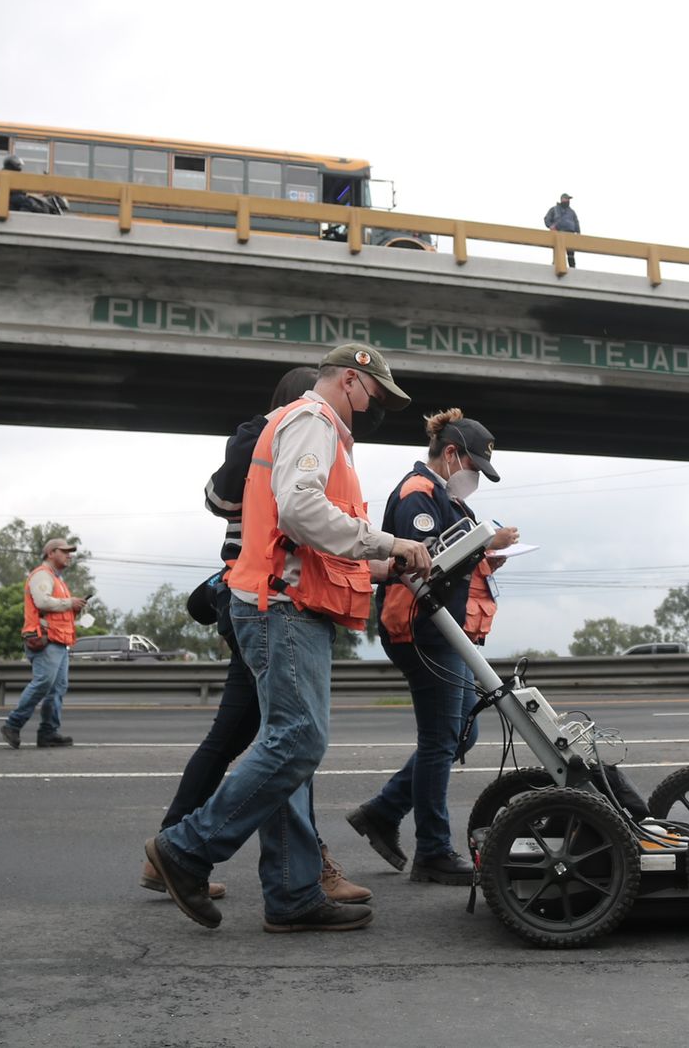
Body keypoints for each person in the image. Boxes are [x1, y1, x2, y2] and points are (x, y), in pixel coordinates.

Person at [145, 343, 432, 933]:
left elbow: (306, 535)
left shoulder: (307, 426)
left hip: (284, 599)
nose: (374, 408)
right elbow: (302, 512)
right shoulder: (313, 421)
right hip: (283, 606)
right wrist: (388, 543)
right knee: (298, 741)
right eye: (376, 395)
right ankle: (185, 848)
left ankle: (293, 893)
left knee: (286, 746)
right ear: (351, 381)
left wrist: (385, 566)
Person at [348, 409, 518, 884]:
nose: (475, 480)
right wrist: (485, 546)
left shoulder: (443, 496)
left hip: (448, 632)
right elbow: (428, 565)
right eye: (474, 469)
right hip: (424, 631)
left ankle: (383, 812)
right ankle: (433, 851)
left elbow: (451, 563)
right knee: (443, 738)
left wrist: (487, 560)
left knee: (460, 734)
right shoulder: (417, 494)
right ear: (450, 454)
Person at [0, 538, 87, 749]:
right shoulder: (42, 574)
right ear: (50, 553)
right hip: (45, 640)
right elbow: (42, 601)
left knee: (57, 688)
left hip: (58, 640)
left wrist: (74, 606)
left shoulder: (57, 579)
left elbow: (55, 608)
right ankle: (13, 724)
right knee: (44, 683)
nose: (69, 555)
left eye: (70, 552)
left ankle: (48, 733)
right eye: (65, 551)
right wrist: (70, 602)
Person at [543, 193, 580, 268]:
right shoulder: (554, 209)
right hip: (558, 232)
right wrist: (550, 226)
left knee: (571, 253)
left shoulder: (571, 212)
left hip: (570, 233)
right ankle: (556, 266)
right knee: (559, 252)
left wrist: (578, 232)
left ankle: (572, 268)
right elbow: (547, 219)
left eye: (568, 199)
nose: (568, 201)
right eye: (566, 199)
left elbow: (576, 221)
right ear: (562, 199)